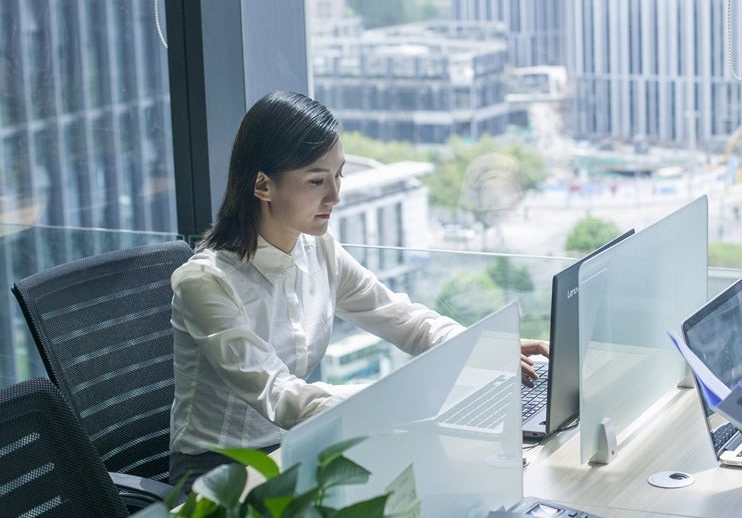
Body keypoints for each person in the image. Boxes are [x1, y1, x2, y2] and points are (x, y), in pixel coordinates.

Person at [169, 91, 549, 489]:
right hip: (218, 474)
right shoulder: (206, 283)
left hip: (296, 447)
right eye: (316, 181)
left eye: (338, 176)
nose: (334, 196)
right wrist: (398, 403)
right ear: (263, 186)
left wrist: (477, 346)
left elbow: (402, 318)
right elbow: (280, 395)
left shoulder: (318, 250)